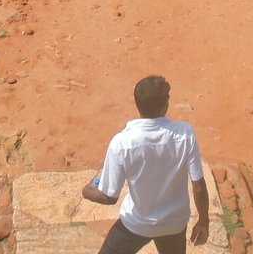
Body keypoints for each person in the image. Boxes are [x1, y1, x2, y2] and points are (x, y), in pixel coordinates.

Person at [82, 75, 209, 254]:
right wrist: (204, 221)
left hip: (136, 224)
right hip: (174, 223)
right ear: (165, 105)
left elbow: (109, 197)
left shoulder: (122, 143)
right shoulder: (185, 134)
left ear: (137, 103)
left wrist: (87, 192)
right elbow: (199, 187)